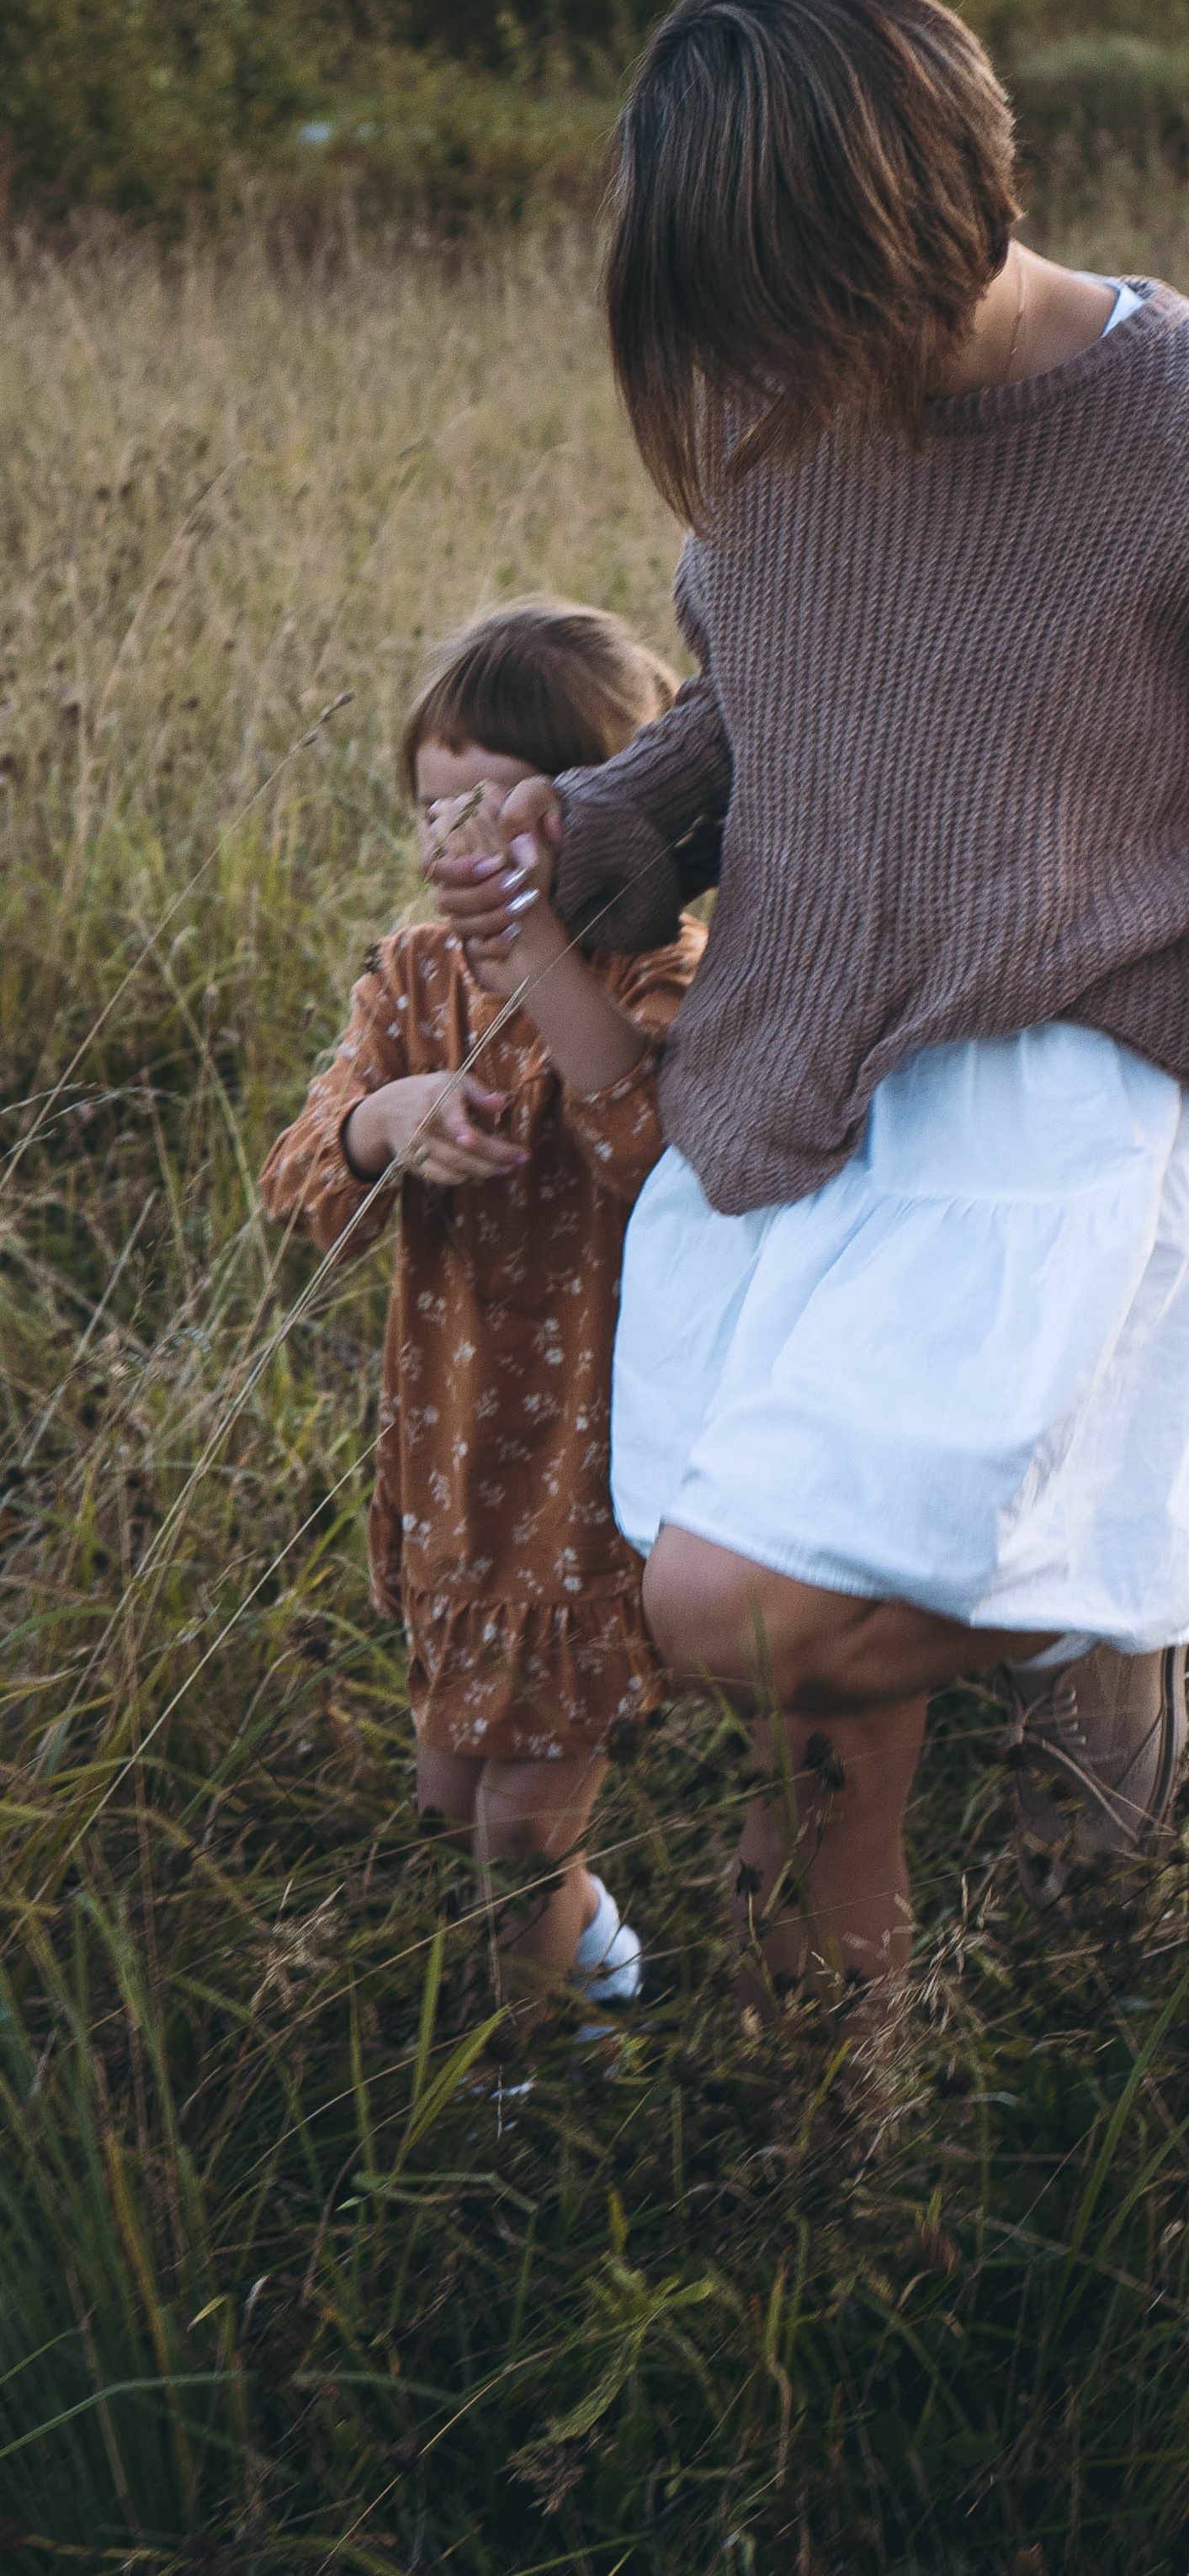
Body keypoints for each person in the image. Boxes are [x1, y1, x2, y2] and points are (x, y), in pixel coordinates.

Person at [428, 0, 1189, 2000]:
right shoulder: (777, 410)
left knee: (745, 1605)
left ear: (919, 219)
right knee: (804, 1727)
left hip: (1069, 1121)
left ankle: (1100, 1600)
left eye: (782, 312)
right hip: (797, 1109)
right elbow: (759, 715)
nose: (754, 375)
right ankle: (831, 2125)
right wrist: (594, 836)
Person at [262, 598, 704, 2012]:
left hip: (589, 1463)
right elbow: (299, 1186)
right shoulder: (408, 978)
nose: (458, 840)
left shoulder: (669, 973)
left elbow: (649, 1150)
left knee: (516, 1831)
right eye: (434, 804)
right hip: (456, 1451)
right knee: (452, 1804)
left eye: (498, 807)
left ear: (609, 807)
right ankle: (595, 1945)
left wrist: (539, 967)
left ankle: (526, 2076)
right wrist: (384, 1122)